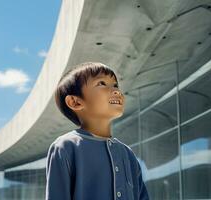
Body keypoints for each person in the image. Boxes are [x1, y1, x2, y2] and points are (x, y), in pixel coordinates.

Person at [45, 62, 149, 200]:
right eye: (101, 83)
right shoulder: (65, 147)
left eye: (115, 85)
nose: (116, 91)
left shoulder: (127, 153)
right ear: (75, 102)